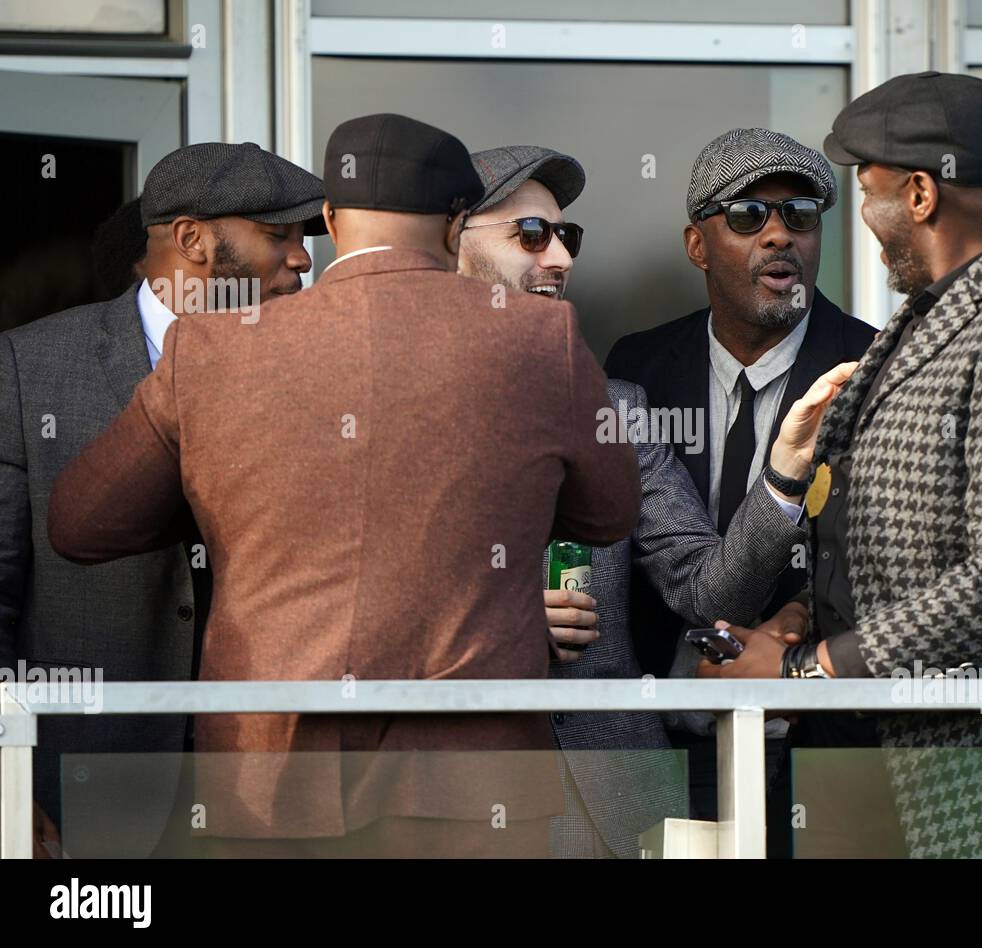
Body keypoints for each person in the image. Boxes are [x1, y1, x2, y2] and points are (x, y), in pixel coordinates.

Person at [46, 114, 641, 857]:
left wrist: (227, 504)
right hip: (473, 787)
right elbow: (611, 512)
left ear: (329, 219)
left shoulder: (212, 349)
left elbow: (81, 523)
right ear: (457, 224)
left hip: (266, 785)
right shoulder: (539, 338)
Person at [700, 71, 982, 858]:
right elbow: (883, 541)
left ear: (918, 194)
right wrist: (801, 616)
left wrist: (805, 670)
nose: (865, 224)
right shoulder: (933, 312)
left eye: (866, 194)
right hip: (906, 778)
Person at [460, 144, 822, 857]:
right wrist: (499, 621)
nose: (560, 258)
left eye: (567, 237)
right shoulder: (376, 409)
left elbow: (706, 588)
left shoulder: (615, 408)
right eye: (530, 236)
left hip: (615, 801)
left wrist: (781, 479)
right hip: (448, 793)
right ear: (450, 241)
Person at [0, 141, 324, 858]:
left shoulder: (321, 374)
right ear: (191, 239)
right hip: (84, 793)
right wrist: (4, 782)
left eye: (304, 238)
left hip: (273, 800)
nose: (302, 258)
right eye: (279, 234)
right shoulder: (28, 369)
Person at [604, 129, 876, 851]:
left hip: (822, 741)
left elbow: (889, 547)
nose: (779, 234)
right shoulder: (639, 366)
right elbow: (617, 547)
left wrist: (795, 628)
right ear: (698, 245)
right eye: (749, 216)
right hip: (664, 740)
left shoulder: (878, 365)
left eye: (800, 214)